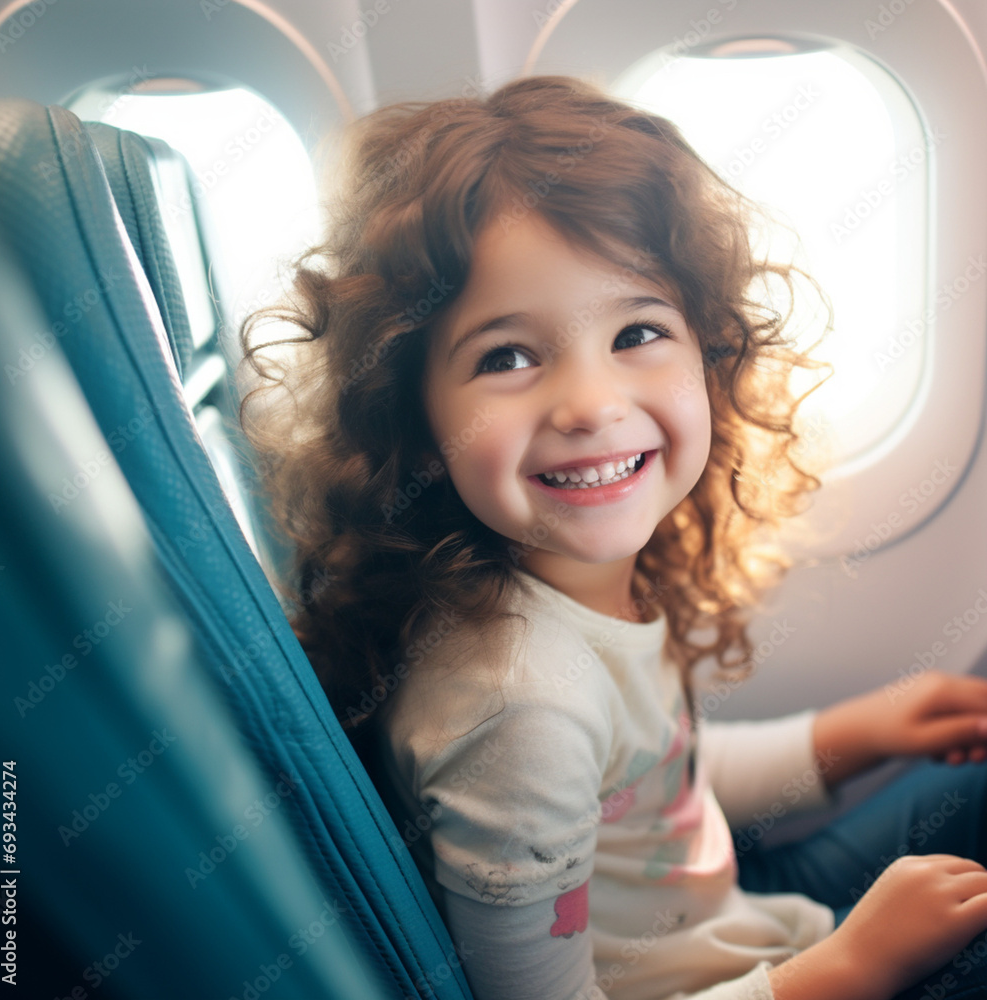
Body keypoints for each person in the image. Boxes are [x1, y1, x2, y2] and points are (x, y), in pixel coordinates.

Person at [240, 76, 987, 1000]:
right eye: (506, 356)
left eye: (638, 330)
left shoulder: (577, 583)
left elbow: (653, 795)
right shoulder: (519, 706)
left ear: (707, 359)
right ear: (414, 421)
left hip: (741, 925)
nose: (591, 403)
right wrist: (850, 971)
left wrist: (849, 735)